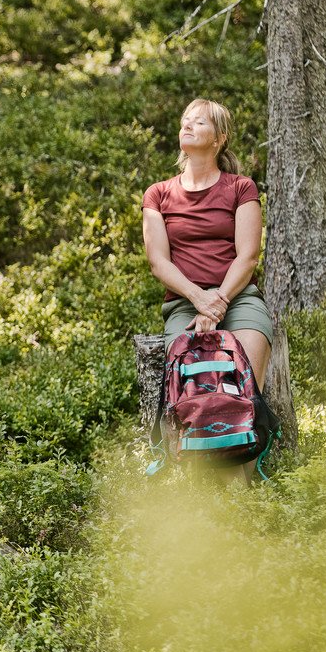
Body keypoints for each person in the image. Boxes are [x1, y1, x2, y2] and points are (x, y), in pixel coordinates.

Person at [141, 98, 273, 482]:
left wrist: (218, 304)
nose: (187, 126)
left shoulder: (240, 187)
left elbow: (248, 256)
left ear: (219, 138)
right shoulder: (159, 194)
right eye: (185, 121)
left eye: (199, 122)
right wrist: (200, 300)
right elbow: (158, 263)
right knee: (192, 382)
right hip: (185, 304)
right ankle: (199, 482)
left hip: (239, 298)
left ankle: (243, 486)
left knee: (243, 378)